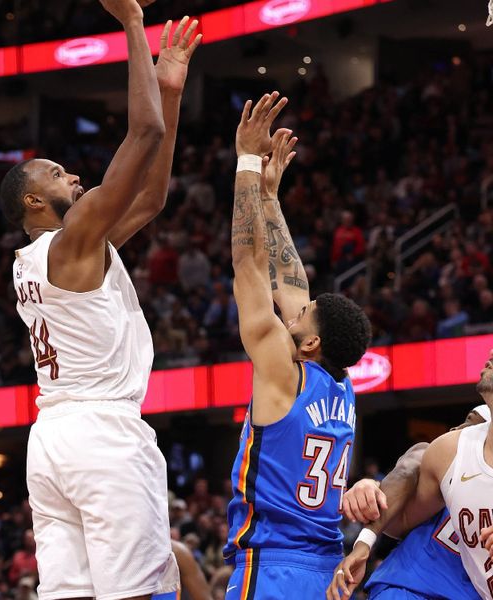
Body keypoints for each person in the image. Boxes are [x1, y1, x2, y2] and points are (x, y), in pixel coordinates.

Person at [0, 1, 201, 597]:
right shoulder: (71, 243)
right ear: (33, 203)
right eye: (59, 175)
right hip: (103, 434)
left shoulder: (57, 255)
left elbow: (154, 197)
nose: (76, 180)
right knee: (136, 592)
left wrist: (169, 91)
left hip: (53, 439)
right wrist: (133, 24)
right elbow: (145, 135)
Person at [223, 96, 372, 598]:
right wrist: (270, 196)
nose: (294, 307)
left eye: (302, 315)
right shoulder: (342, 386)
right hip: (327, 565)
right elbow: (291, 280)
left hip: (272, 566)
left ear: (310, 342)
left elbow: (249, 265)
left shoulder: (283, 373)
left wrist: (246, 161)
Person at [329, 348, 493, 599]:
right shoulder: (453, 454)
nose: (461, 430)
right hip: (412, 582)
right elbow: (415, 463)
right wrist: (371, 493)